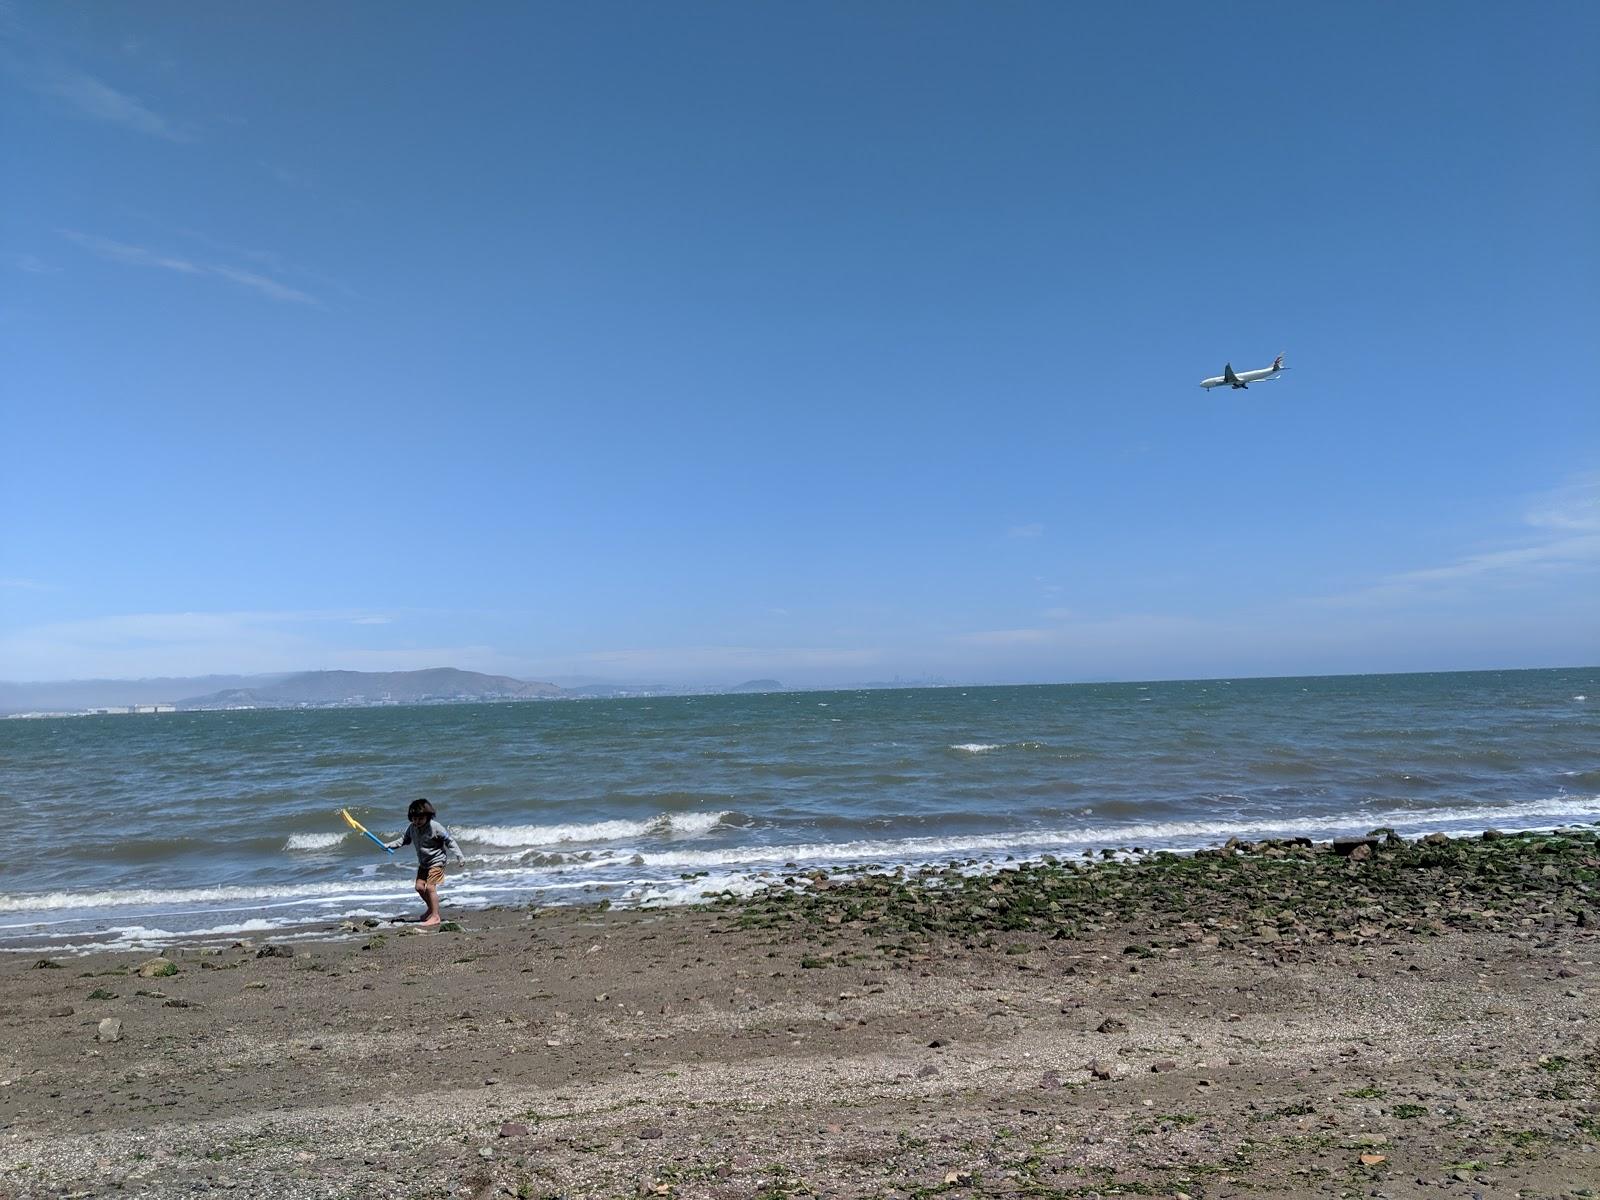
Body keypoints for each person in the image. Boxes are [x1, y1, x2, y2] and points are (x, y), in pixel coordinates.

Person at [385, 798, 466, 926]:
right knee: (419, 887)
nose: (417, 822)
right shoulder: (412, 828)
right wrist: (389, 845)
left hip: (437, 861)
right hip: (424, 863)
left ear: (428, 817)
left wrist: (459, 856)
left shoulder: (435, 827)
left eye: (420, 819)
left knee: (430, 887)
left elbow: (450, 841)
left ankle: (435, 916)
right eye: (414, 819)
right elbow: (404, 840)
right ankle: (431, 909)